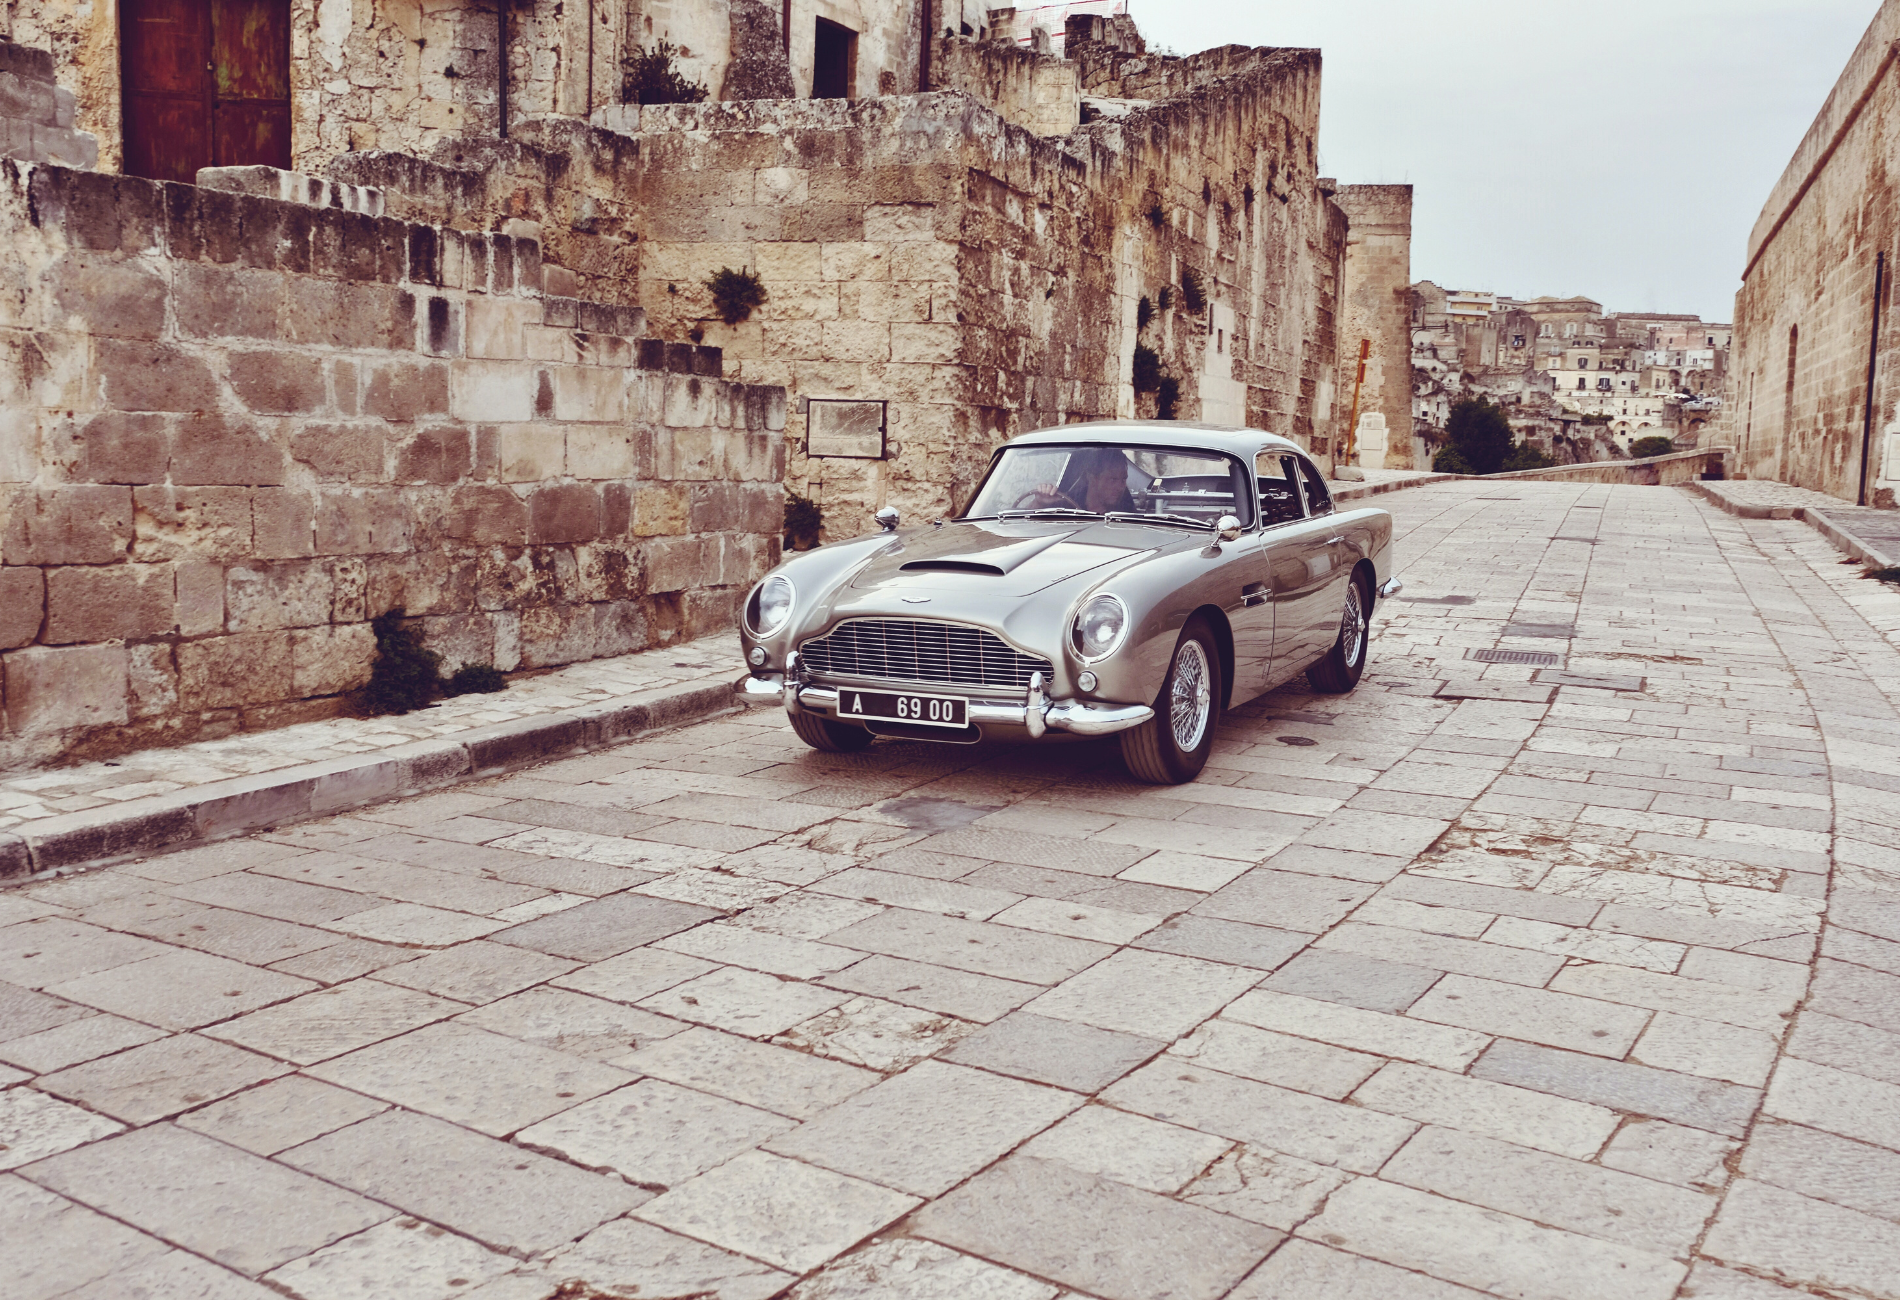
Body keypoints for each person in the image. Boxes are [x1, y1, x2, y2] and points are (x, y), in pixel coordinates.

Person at [1028, 446, 1135, 513]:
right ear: (1092, 478)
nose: (1120, 487)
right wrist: (1039, 502)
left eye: (1123, 480)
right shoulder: (1066, 504)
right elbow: (1025, 526)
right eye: (1112, 479)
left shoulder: (1126, 509)